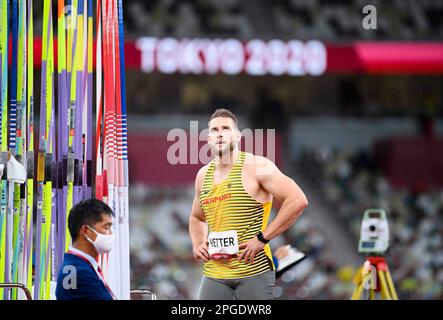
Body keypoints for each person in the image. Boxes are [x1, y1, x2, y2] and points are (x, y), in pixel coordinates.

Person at [189, 108, 308, 300]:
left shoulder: (257, 166)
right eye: (214, 130)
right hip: (215, 273)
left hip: (254, 270)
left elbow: (297, 200)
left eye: (226, 129)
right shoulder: (203, 176)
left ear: (237, 136)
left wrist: (262, 238)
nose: (220, 134)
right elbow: (196, 217)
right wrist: (198, 244)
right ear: (209, 139)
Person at [55, 199, 116, 300]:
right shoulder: (80, 273)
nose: (110, 234)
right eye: (106, 227)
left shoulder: (77, 266)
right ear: (86, 231)